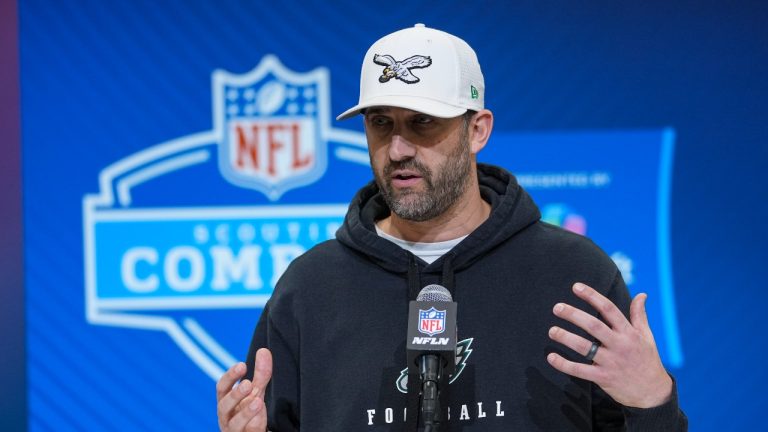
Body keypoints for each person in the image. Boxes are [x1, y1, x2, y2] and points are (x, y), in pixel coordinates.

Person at [216, 24, 687, 431]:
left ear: (478, 129)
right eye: (381, 123)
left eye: (423, 122)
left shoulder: (573, 273)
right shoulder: (310, 288)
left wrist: (652, 405)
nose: (398, 148)